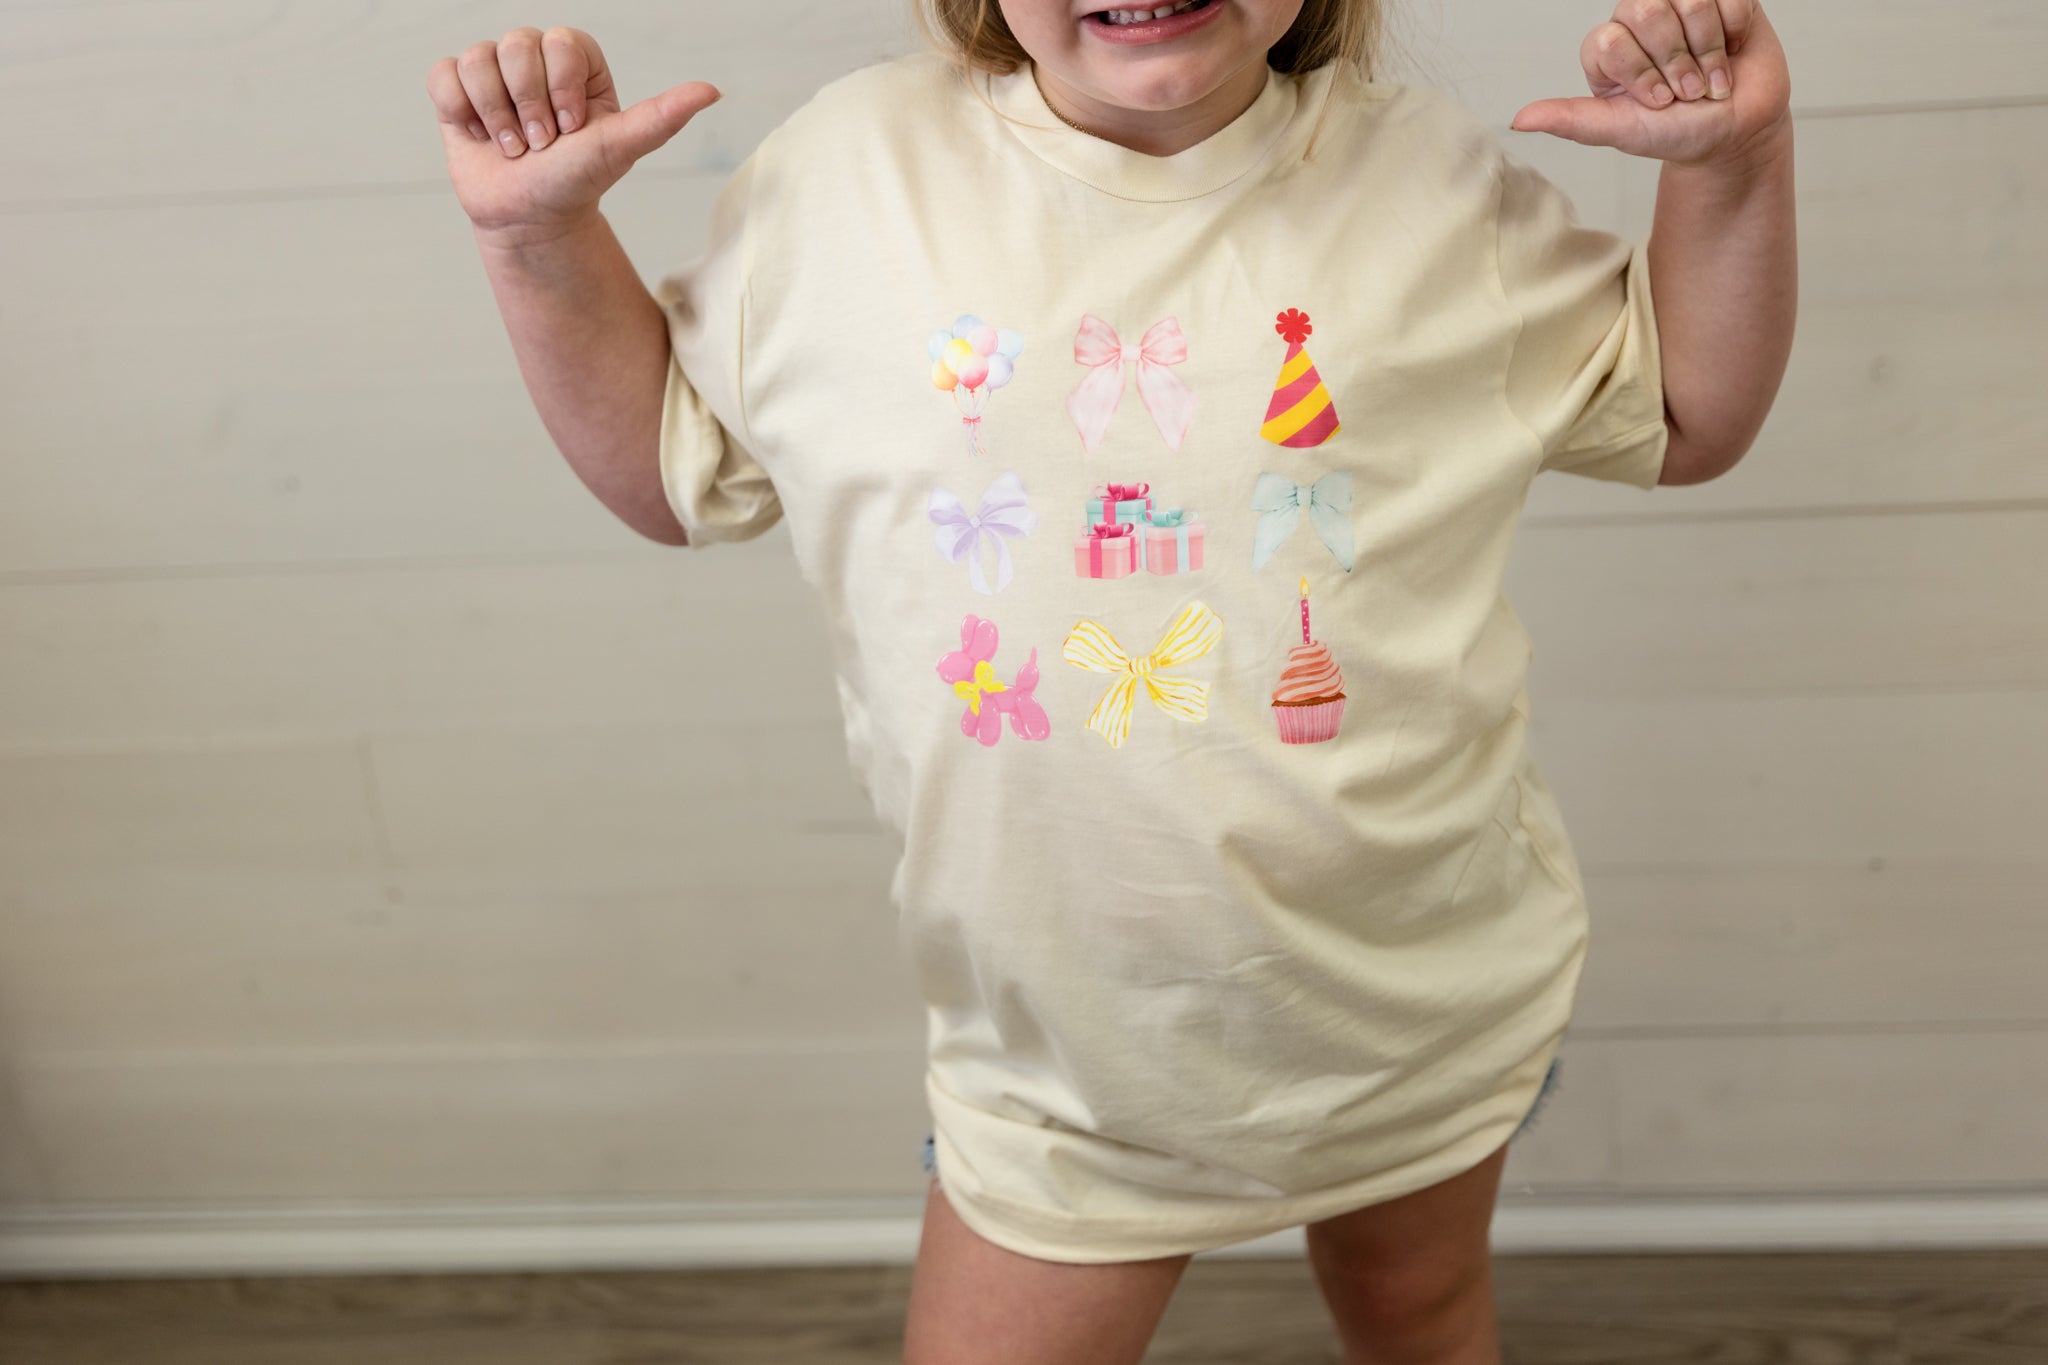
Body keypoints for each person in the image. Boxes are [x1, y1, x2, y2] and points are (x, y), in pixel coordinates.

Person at [426, 0, 1794, 1358]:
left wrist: (1734, 166)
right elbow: (673, 467)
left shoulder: (1432, 187)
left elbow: (1681, 411)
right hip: (1066, 1065)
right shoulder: (847, 183)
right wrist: (534, 239)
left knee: (1421, 1315)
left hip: (1411, 996)